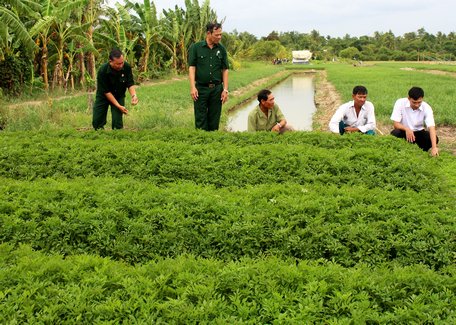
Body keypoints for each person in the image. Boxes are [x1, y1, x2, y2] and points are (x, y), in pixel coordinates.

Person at [188, 22, 229, 131]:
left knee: (214, 119)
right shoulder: (196, 48)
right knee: (200, 119)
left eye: (221, 34)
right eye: (217, 35)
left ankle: (212, 143)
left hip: (216, 90)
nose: (219, 37)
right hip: (201, 89)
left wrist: (225, 89)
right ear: (208, 33)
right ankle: (201, 143)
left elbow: (225, 69)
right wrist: (193, 87)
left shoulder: (221, 49)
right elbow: (192, 67)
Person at [92, 49, 138, 130]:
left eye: (122, 62)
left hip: (119, 95)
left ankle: (117, 137)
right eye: (118, 64)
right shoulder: (103, 71)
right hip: (103, 96)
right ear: (110, 61)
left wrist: (134, 95)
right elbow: (106, 92)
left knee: (117, 124)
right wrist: (118, 106)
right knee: (97, 122)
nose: (121, 65)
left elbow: (130, 83)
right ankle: (100, 137)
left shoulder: (126, 67)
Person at [390, 86, 439, 156]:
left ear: (422, 98)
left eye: (419, 102)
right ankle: (401, 151)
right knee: (395, 133)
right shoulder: (400, 103)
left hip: (419, 133)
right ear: (409, 98)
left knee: (433, 138)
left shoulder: (427, 107)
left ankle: (421, 151)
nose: (417, 105)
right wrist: (407, 129)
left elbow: (431, 127)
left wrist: (434, 147)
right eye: (414, 102)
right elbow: (395, 124)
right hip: (404, 132)